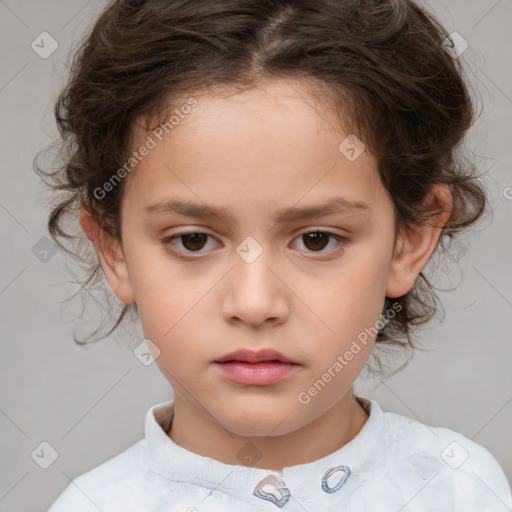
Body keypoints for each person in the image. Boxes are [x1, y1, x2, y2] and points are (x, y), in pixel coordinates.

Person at [36, 0, 512, 510]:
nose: (255, 303)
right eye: (193, 240)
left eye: (316, 240)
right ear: (114, 249)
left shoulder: (461, 488)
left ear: (410, 238)